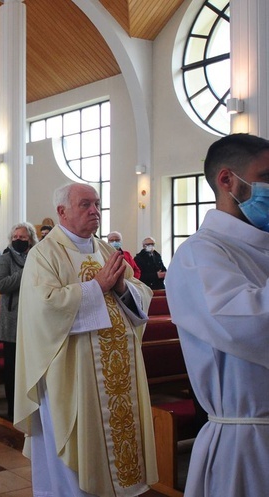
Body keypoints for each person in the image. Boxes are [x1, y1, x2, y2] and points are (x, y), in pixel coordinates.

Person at [14, 183, 157, 497]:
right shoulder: (44, 254)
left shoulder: (107, 250)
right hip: (70, 378)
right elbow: (45, 308)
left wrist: (121, 288)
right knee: (73, 464)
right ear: (62, 212)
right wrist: (97, 286)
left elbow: (141, 293)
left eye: (97, 204)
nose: (94, 211)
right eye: (85, 205)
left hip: (116, 374)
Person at [165, 133, 269, 497]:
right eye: (267, 176)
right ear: (228, 180)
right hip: (248, 441)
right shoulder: (199, 254)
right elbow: (248, 325)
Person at [0, 223, 37, 418]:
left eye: (23, 237)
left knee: (31, 369)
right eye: (15, 237)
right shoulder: (5, 258)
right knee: (13, 370)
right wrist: (24, 273)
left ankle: (31, 410)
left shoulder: (37, 257)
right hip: (12, 322)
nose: (18, 240)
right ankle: (13, 411)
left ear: (31, 239)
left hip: (33, 321)